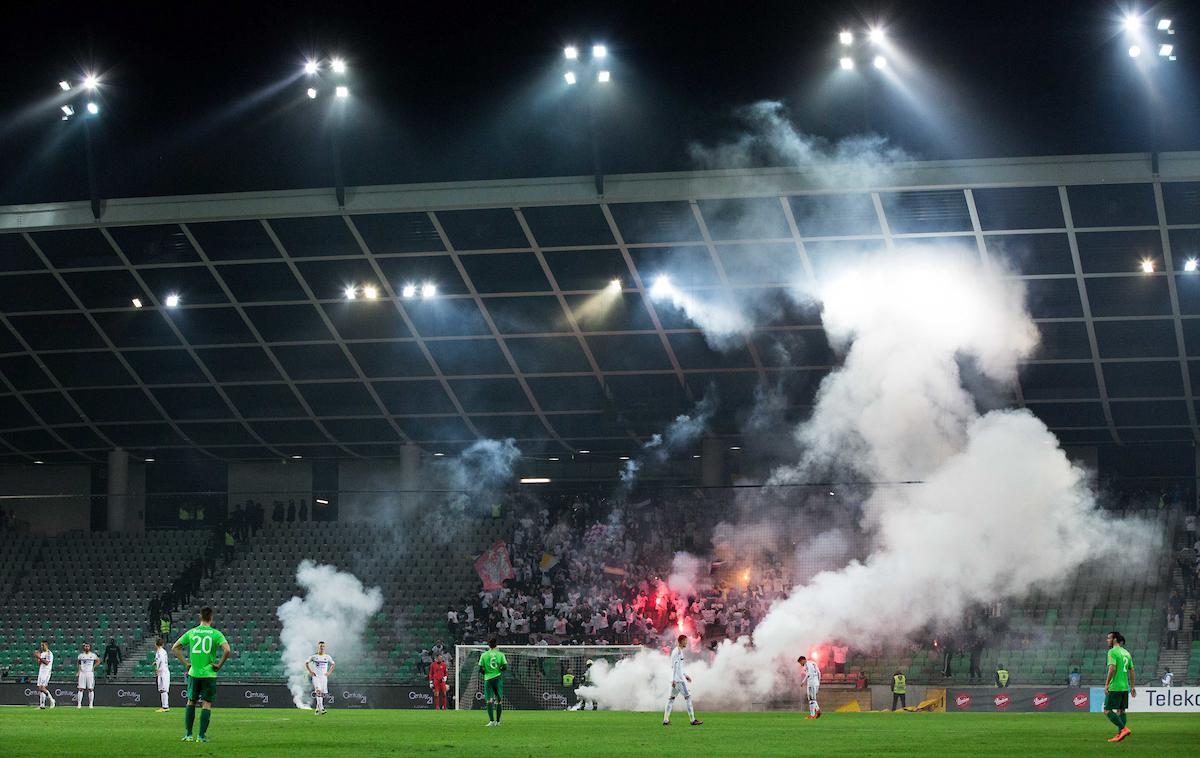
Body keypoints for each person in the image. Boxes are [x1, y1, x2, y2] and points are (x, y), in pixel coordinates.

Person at [172, 606, 231, 744]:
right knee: (206, 703)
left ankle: (188, 734)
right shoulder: (216, 634)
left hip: (194, 673)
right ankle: (201, 736)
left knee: (191, 701)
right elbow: (227, 650)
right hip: (208, 674)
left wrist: (186, 663)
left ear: (200, 617)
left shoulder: (192, 632)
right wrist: (219, 665)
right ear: (211, 617)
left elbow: (175, 648)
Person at [1102, 630, 1135, 743]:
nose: (1107, 640)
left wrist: (1106, 684)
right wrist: (1133, 686)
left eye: (1109, 638)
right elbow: (1132, 670)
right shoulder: (1126, 652)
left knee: (1107, 710)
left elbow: (1112, 668)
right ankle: (1120, 734)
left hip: (1115, 686)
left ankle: (1123, 729)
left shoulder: (1112, 652)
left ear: (1114, 639)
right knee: (1121, 711)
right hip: (1125, 686)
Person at [665, 635, 701, 726]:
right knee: (688, 697)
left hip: (676, 679)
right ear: (680, 641)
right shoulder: (677, 652)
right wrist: (674, 679)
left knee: (671, 699)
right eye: (685, 641)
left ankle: (666, 720)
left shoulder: (679, 651)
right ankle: (692, 720)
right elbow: (675, 666)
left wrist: (685, 675)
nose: (686, 642)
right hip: (678, 680)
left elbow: (680, 667)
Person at [479, 638, 508, 727]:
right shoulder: (500, 654)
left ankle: (491, 721)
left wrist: (486, 672)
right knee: (499, 701)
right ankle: (498, 722)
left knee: (489, 700)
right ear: (496, 645)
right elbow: (505, 667)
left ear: (489, 645)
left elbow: (481, 669)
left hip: (488, 679)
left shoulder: (484, 655)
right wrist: (498, 669)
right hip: (497, 679)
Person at [305, 641, 335, 715]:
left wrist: (329, 673)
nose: (322, 648)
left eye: (323, 646)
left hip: (324, 677)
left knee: (321, 693)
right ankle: (322, 708)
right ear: (318, 647)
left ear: (324, 647)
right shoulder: (314, 657)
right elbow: (306, 663)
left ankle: (317, 708)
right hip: (316, 677)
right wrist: (310, 671)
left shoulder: (327, 657)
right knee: (318, 691)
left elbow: (333, 664)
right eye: (320, 646)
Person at [32, 641, 56, 708]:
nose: (41, 647)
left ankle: (52, 700)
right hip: (41, 671)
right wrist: (38, 658)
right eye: (41, 645)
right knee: (40, 688)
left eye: (43, 645)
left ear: (46, 645)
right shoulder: (42, 653)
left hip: (46, 672)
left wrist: (39, 658)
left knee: (42, 687)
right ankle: (42, 705)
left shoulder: (49, 653)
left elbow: (47, 663)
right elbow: (39, 664)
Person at [797, 654, 821, 719]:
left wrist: (802, 682)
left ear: (803, 660)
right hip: (816, 682)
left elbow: (808, 674)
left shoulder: (806, 665)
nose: (800, 664)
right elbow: (819, 672)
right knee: (813, 699)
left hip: (811, 683)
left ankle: (814, 713)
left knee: (811, 699)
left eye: (800, 662)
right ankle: (815, 713)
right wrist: (819, 682)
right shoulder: (813, 663)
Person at [76, 642, 99, 709]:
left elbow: (98, 661)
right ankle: (79, 704)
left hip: (89, 673)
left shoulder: (93, 655)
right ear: (84, 647)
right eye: (85, 646)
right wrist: (79, 671)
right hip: (82, 673)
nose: (86, 647)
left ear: (90, 647)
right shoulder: (80, 655)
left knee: (90, 689)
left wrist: (93, 667)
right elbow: (78, 663)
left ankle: (91, 704)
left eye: (88, 646)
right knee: (80, 689)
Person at [155, 637, 171, 712]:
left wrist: (157, 669)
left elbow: (160, 661)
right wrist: (156, 663)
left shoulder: (159, 652)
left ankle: (165, 706)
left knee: (164, 689)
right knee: (162, 690)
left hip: (163, 672)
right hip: (164, 671)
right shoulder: (163, 651)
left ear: (155, 644)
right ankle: (164, 706)